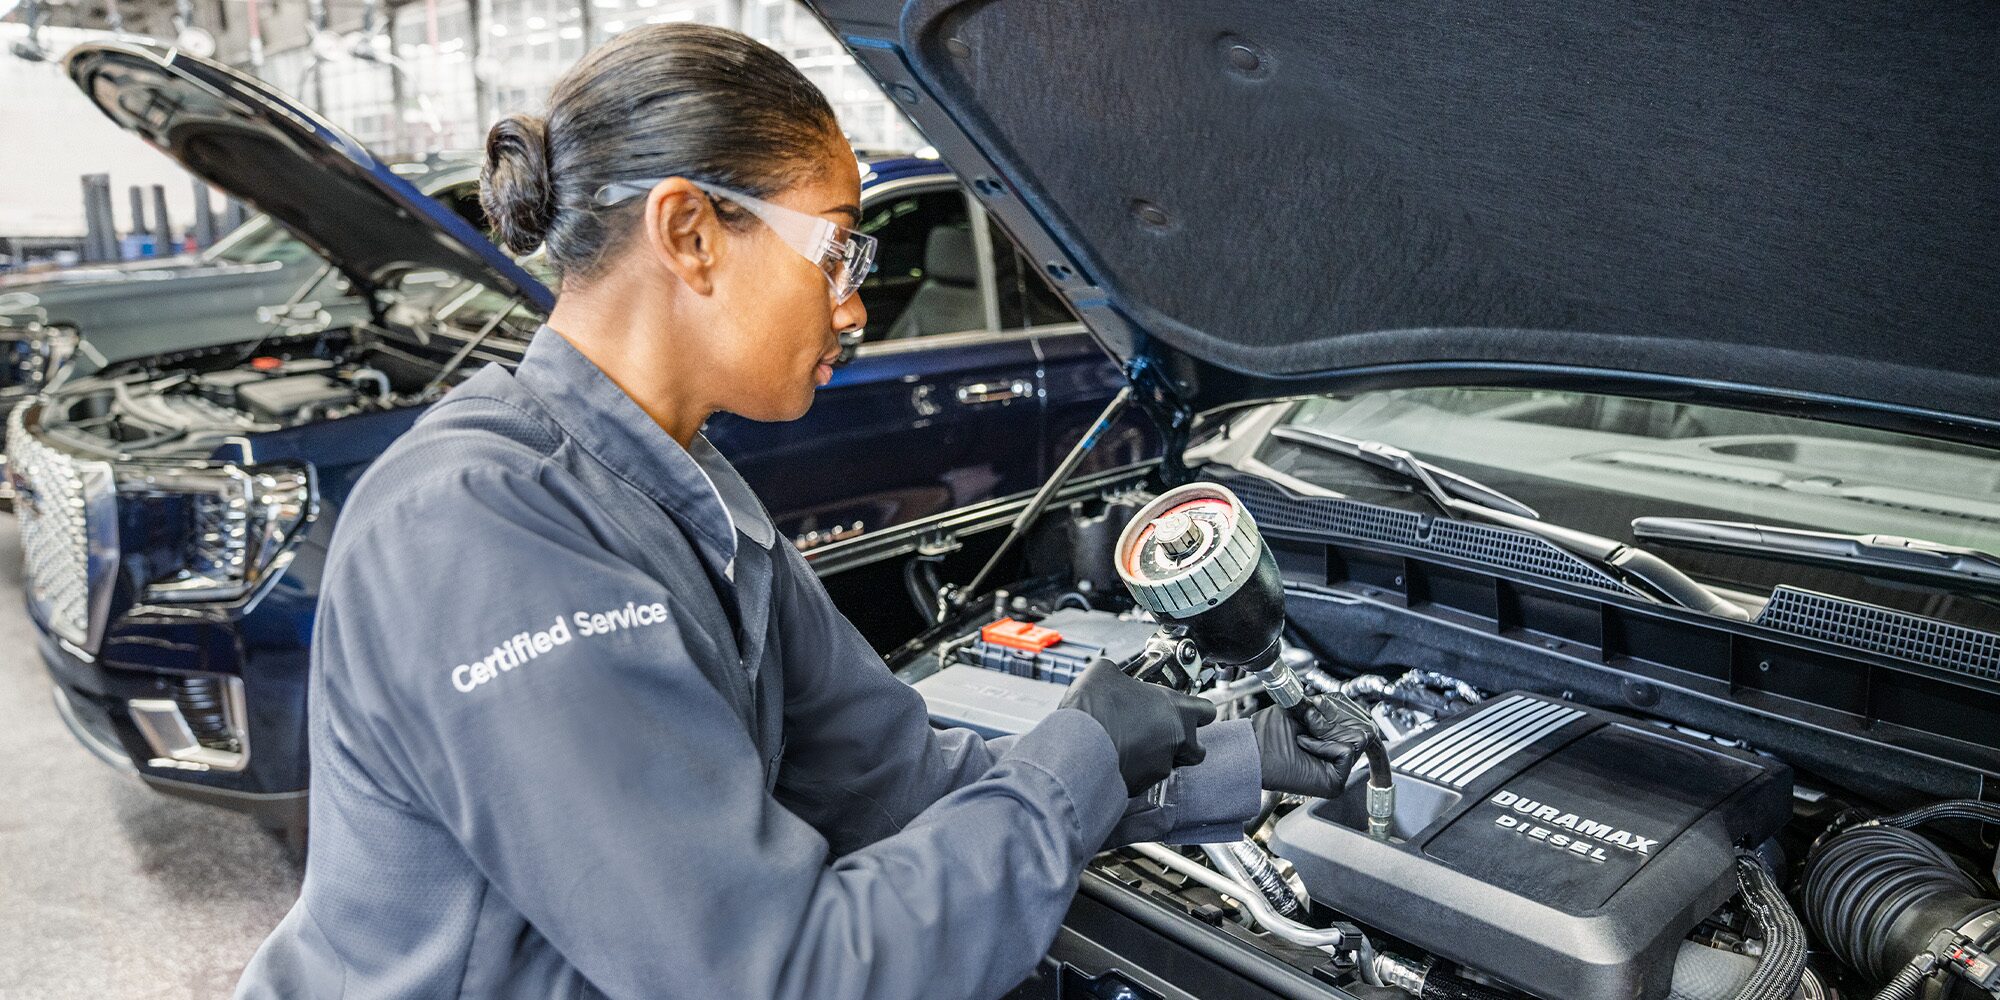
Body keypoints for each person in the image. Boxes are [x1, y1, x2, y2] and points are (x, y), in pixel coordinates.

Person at [235, 23, 1370, 1000]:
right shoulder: (485, 533)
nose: (854, 303)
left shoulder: (687, 492)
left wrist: (1218, 760)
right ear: (688, 234)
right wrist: (1071, 764)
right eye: (836, 247)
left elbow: (893, 779)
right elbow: (773, 973)